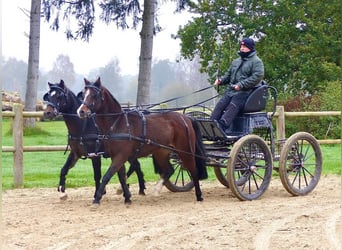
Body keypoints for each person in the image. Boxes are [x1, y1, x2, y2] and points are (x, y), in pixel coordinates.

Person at [211, 37, 264, 131]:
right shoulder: (236, 61)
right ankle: (211, 125)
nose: (242, 48)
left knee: (233, 105)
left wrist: (241, 85)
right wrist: (220, 80)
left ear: (250, 48)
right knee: (220, 104)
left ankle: (222, 127)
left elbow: (257, 77)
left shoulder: (257, 62)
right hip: (230, 91)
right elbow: (228, 75)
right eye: (241, 46)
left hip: (246, 92)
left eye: (245, 46)